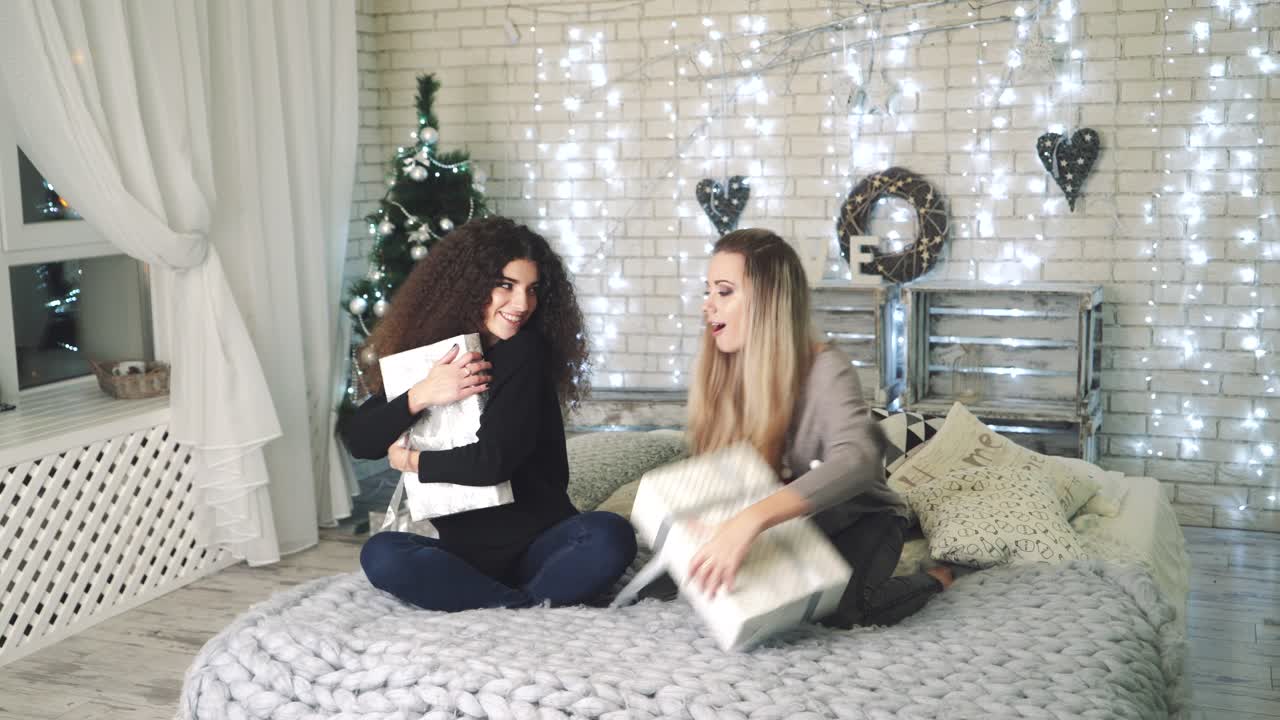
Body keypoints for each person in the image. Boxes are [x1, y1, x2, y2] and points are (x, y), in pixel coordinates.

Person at [341, 217, 636, 612]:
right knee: (380, 553)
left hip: (544, 546)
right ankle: (521, 605)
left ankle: (497, 605)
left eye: (532, 290)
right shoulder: (437, 356)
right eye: (506, 286)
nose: (521, 305)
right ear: (468, 286)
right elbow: (359, 439)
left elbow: (491, 464)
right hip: (466, 556)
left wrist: (411, 461)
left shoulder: (525, 352)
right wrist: (423, 393)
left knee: (608, 535)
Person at [668, 228, 953, 628]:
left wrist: (748, 521)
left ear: (769, 300)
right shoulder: (725, 375)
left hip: (863, 519)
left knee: (845, 611)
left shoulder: (825, 367)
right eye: (708, 291)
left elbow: (859, 458)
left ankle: (936, 579)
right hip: (788, 529)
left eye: (724, 291)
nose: (707, 306)